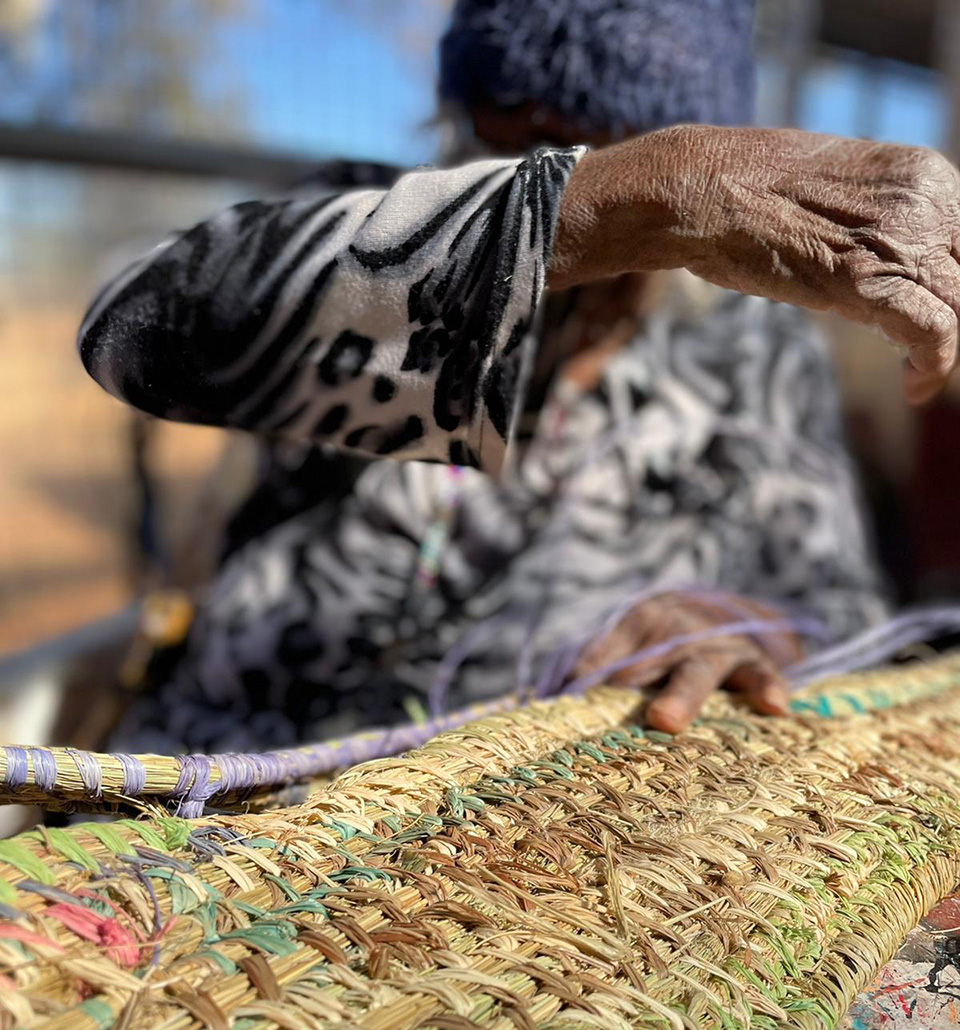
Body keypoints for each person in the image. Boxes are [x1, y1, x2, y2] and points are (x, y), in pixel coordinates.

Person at [78, 0, 960, 754]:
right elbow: (133, 324)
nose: (559, 168)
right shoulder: (389, 231)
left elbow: (838, 605)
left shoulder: (752, 347)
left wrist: (745, 628)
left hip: (507, 852)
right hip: (212, 776)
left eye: (602, 147)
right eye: (517, 146)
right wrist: (601, 208)